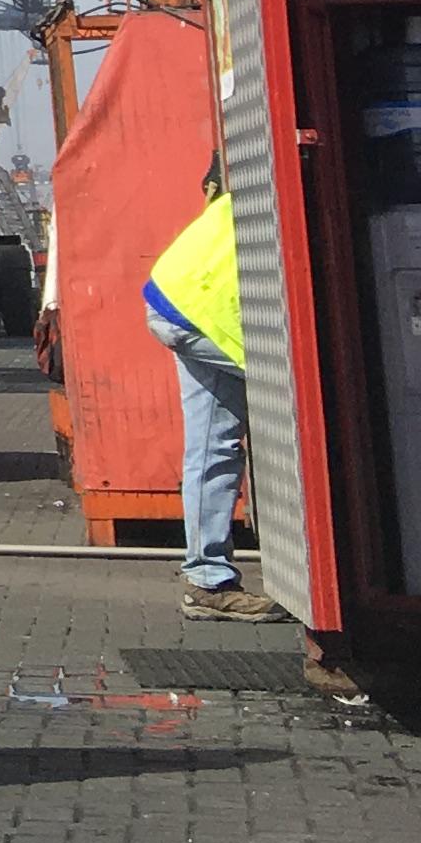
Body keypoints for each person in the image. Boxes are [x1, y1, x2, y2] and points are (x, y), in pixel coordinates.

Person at [143, 169, 280, 621]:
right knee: (301, 407)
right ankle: (304, 571)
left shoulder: (254, 182)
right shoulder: (288, 194)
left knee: (211, 446)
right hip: (206, 309)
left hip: (172, 296)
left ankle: (207, 580)